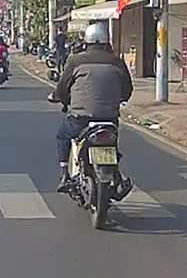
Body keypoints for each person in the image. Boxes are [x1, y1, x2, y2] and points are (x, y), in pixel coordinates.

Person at [49, 22, 132, 190]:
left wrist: (58, 97)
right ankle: (116, 175)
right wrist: (120, 99)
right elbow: (127, 89)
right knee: (111, 142)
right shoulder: (117, 62)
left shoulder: (75, 61)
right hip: (109, 118)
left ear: (86, 41)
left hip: (80, 118)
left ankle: (64, 174)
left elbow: (63, 88)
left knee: (62, 137)